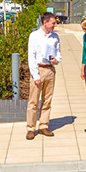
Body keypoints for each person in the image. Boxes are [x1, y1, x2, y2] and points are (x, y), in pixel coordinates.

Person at [24, 11, 61, 140]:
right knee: (33, 101)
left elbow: (58, 53)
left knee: (47, 100)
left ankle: (44, 125)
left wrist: (56, 60)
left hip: (50, 70)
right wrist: (36, 75)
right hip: (39, 70)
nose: (55, 25)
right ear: (45, 22)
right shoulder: (34, 36)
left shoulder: (55, 37)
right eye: (53, 22)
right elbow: (31, 57)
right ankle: (31, 128)